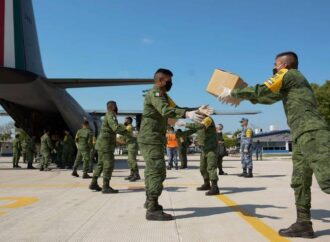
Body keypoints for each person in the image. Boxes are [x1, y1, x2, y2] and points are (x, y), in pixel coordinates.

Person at [218, 51, 330, 238]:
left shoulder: (289, 74)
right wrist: (242, 97)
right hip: (300, 135)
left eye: (276, 64)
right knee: (300, 181)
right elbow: (267, 98)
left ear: (284, 65)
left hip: (312, 132)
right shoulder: (289, 84)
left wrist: (234, 92)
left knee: (327, 177)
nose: (274, 68)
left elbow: (263, 90)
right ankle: (304, 223)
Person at [137, 68, 213, 221]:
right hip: (150, 138)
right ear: (160, 80)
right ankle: (152, 208)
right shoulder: (156, 93)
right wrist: (186, 114)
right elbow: (166, 111)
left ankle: (150, 201)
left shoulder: (163, 95)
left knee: (152, 171)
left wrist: (194, 110)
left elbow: (175, 108)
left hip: (154, 138)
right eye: (169, 80)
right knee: (157, 171)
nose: (171, 83)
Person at [89, 101, 127, 193]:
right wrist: (126, 130)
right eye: (116, 106)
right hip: (106, 145)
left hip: (102, 143)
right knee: (108, 165)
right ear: (113, 106)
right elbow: (115, 128)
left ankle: (93, 183)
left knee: (100, 164)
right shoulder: (111, 115)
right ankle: (106, 186)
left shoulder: (108, 115)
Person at [183, 117, 220, 195]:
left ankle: (215, 187)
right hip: (204, 149)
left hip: (211, 149)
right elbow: (191, 130)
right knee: (202, 168)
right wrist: (178, 134)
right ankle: (207, 184)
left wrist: (185, 124)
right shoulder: (199, 124)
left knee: (211, 168)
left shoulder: (208, 119)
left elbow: (201, 126)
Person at [123, 116, 140, 182]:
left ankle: (136, 174)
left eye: (125, 120)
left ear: (129, 121)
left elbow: (123, 132)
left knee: (132, 160)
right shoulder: (129, 127)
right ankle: (132, 174)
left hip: (132, 145)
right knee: (130, 160)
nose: (124, 121)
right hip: (131, 144)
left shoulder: (129, 127)